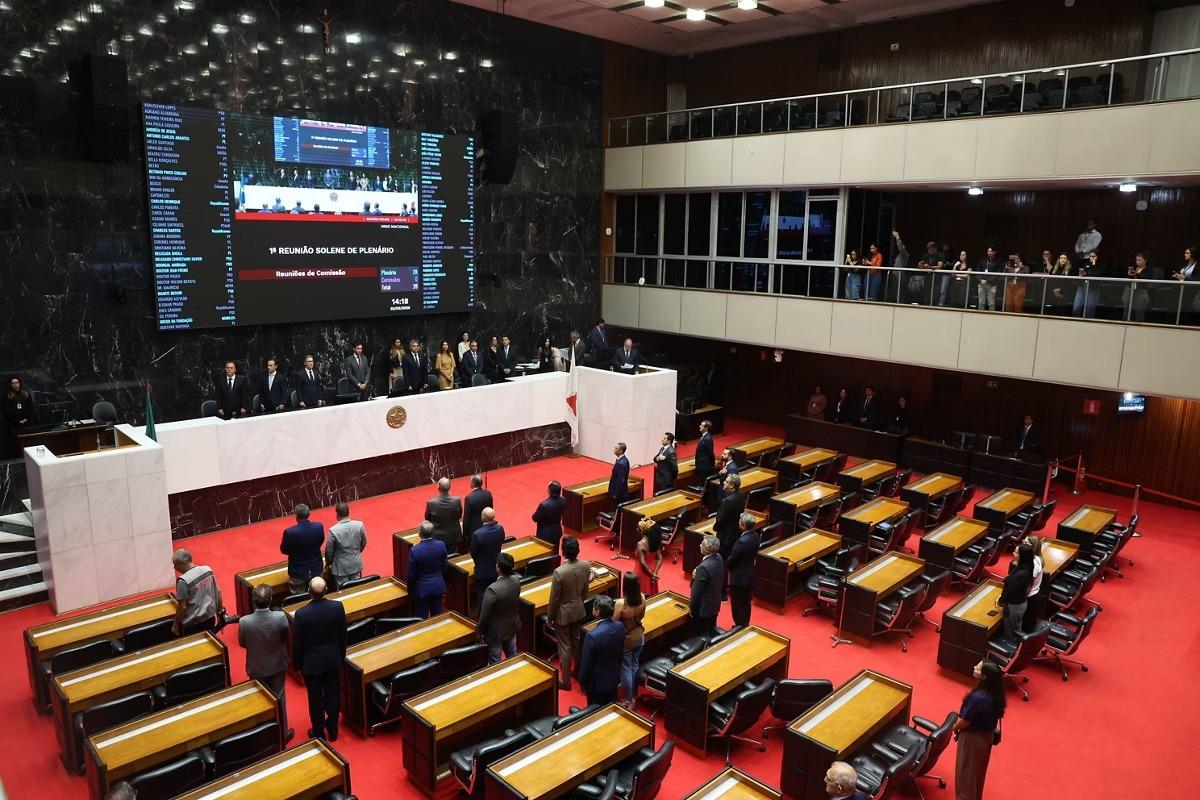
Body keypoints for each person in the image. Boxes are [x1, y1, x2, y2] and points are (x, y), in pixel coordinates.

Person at [237, 584, 294, 741]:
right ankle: (283, 734)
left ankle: (262, 737)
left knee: (260, 701)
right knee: (279, 698)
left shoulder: (244, 622)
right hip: (277, 664)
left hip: (256, 666)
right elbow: (285, 637)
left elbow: (242, 644)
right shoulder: (280, 617)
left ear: (253, 601)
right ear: (270, 600)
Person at [293, 577, 346, 741]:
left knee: (315, 699)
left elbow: (298, 644)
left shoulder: (301, 614)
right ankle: (333, 730)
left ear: (309, 592)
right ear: (326, 590)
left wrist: (297, 666)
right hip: (332, 660)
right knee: (333, 695)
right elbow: (342, 635)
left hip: (311, 664)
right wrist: (341, 657)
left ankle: (318, 732)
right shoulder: (337, 607)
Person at [952, 660, 1007, 800]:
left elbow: (965, 721)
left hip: (972, 739)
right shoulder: (994, 692)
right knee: (977, 776)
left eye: (978, 668)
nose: (975, 667)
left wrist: (952, 728)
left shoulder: (979, 697)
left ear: (984, 677)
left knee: (966, 778)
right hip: (985, 738)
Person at [548, 536, 592, 689]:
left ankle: (565, 681)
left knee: (564, 647)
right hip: (578, 610)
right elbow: (585, 591)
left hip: (563, 614)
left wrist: (550, 617)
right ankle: (577, 672)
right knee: (576, 644)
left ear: (564, 552)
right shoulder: (586, 566)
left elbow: (554, 599)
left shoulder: (559, 572)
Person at [579, 595, 624, 707]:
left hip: (597, 684)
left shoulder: (592, 635)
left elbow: (586, 664)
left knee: (594, 713)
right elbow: (621, 652)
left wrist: (583, 683)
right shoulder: (620, 626)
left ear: (597, 612)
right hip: (614, 677)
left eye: (594, 608)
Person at [478, 552, 521, 664]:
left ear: (498, 568)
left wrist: (479, 632)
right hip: (512, 625)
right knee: (513, 656)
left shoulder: (492, 589)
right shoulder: (516, 581)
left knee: (495, 662)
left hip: (496, 632)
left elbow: (484, 616)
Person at [172, 549, 222, 635]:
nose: (174, 568)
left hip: (193, 624)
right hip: (210, 618)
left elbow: (182, 606)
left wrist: (175, 625)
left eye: (175, 564)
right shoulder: (207, 570)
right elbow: (218, 592)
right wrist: (220, 612)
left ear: (182, 563)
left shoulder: (183, 581)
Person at [614, 572, 646, 708]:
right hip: (639, 635)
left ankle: (628, 700)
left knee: (625, 670)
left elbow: (614, 623)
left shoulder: (621, 603)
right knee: (634, 666)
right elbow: (642, 616)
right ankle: (633, 697)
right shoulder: (643, 598)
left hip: (627, 640)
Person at [280, 504, 325, 595]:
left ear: (296, 516)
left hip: (298, 572)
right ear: (309, 514)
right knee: (319, 596)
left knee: (299, 600)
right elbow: (321, 541)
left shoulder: (290, 532)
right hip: (316, 569)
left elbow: (284, 549)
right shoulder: (318, 527)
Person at [407, 521, 449, 617]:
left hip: (421, 590)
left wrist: (411, 591)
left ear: (419, 534)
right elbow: (444, 566)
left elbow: (411, 575)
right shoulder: (441, 545)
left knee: (422, 621)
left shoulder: (415, 551)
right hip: (438, 586)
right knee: (437, 618)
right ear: (433, 532)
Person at [726, 512, 760, 628]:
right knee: (746, 602)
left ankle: (739, 626)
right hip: (750, 574)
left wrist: (726, 565)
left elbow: (732, 559)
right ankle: (745, 624)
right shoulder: (756, 536)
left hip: (739, 578)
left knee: (737, 604)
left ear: (743, 525)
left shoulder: (741, 542)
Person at [325, 502, 367, 589]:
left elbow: (329, 551)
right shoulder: (359, 525)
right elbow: (364, 542)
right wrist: (356, 553)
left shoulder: (333, 530)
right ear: (348, 512)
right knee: (357, 589)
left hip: (340, 568)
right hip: (356, 563)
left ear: (337, 514)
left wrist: (328, 563)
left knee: (343, 591)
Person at [690, 535, 724, 637]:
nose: (700, 545)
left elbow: (696, 593)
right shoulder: (719, 558)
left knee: (702, 636)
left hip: (703, 609)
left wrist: (692, 608)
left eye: (702, 544)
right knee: (712, 629)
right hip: (714, 604)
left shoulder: (704, 567)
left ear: (708, 549)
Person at [470, 507, 505, 605]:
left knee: (482, 597)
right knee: (494, 594)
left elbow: (473, 552)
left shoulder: (477, 534)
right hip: (496, 568)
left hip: (482, 571)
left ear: (482, 517)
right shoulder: (500, 529)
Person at [999, 543, 1034, 639]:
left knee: (1010, 632)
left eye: (1016, 552)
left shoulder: (1021, 574)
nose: (1013, 553)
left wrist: (1000, 600)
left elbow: (1010, 592)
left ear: (1022, 556)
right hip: (1020, 603)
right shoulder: (1027, 567)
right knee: (1016, 628)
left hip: (1013, 607)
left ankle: (1010, 648)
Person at [425, 477, 464, 553]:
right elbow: (459, 516)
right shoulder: (457, 500)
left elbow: (427, 519)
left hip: (438, 539)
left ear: (438, 487)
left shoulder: (431, 503)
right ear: (450, 487)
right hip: (454, 537)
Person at [714, 473, 745, 559]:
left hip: (725, 538)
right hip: (736, 533)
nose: (724, 482)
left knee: (722, 559)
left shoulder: (727, 501)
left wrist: (715, 527)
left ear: (732, 486)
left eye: (726, 482)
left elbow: (721, 520)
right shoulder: (741, 496)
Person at [1121, 253, 1158, 322]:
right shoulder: (1135, 269)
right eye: (1137, 260)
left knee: (1139, 310)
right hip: (1131, 291)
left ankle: (1139, 323)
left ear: (1145, 261)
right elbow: (1129, 280)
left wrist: (1136, 274)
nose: (1138, 261)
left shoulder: (1149, 270)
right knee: (1127, 309)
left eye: (1140, 260)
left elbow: (1146, 279)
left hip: (1141, 292)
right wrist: (1129, 275)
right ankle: (1126, 321)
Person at [532, 481, 566, 551]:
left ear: (550, 491)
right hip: (557, 531)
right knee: (555, 553)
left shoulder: (544, 505)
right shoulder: (563, 500)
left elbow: (535, 518)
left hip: (545, 535)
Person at [1022, 535, 1047, 633]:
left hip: (1029, 598)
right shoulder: (1035, 558)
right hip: (1033, 594)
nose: (1023, 545)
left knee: (1027, 625)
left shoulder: (1033, 564)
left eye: (1026, 544)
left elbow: (1028, 586)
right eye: (1023, 542)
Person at [635, 516, 662, 596]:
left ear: (642, 531)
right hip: (653, 569)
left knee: (642, 595)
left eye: (638, 528)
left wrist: (651, 574)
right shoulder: (654, 540)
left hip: (643, 572)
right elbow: (660, 558)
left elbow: (643, 563)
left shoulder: (640, 544)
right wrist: (655, 573)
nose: (637, 529)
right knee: (652, 595)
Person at [1172, 246, 1200, 324]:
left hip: (1190, 292)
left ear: (1193, 254)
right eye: (1185, 253)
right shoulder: (1185, 264)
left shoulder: (1198, 265)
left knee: (1185, 312)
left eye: (1187, 253)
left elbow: (1198, 280)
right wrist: (1177, 276)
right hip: (1180, 290)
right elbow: (1182, 276)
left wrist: (1184, 278)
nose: (1185, 254)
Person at [463, 474, 494, 541]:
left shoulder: (469, 498)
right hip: (488, 527)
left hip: (475, 531)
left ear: (473, 483)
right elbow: (491, 510)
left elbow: (467, 518)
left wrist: (465, 533)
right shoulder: (488, 494)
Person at [976, 246, 1004, 311]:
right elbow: (977, 272)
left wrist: (987, 281)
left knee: (991, 303)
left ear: (995, 252)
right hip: (981, 284)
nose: (989, 253)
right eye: (988, 251)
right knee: (981, 303)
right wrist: (981, 280)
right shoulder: (982, 260)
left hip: (991, 285)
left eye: (991, 251)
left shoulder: (998, 262)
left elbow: (997, 275)